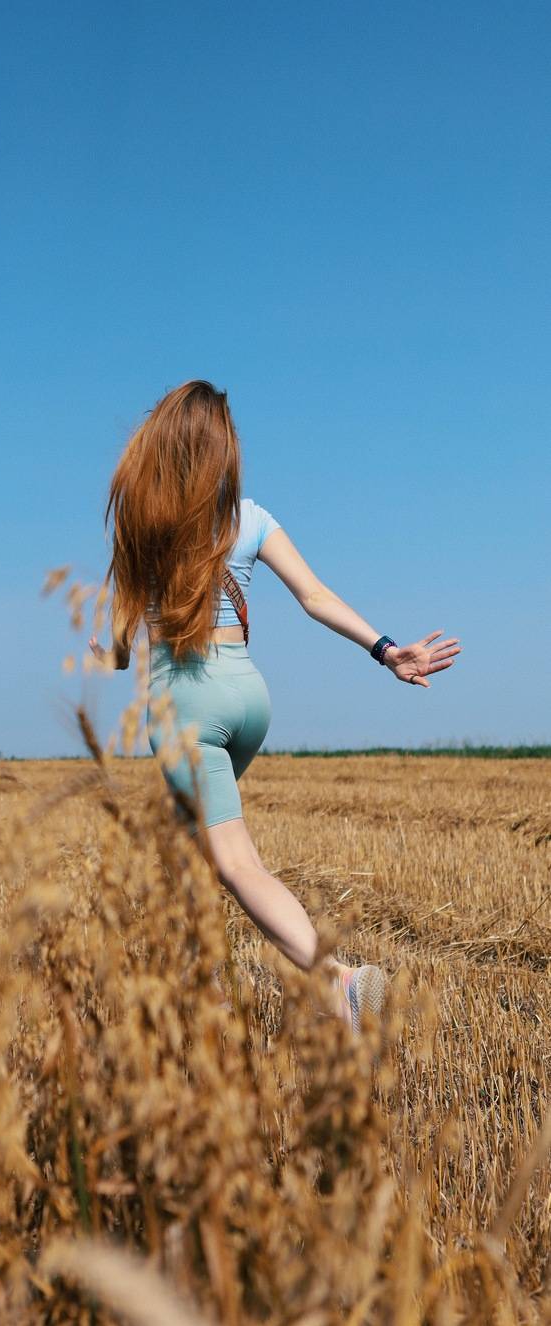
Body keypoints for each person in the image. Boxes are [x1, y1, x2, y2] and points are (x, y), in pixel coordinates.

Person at [90, 380, 460, 1031]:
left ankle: (339, 983)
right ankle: (205, 991)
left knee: (237, 862)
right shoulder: (248, 518)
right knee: (192, 844)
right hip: (248, 700)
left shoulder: (141, 528)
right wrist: (385, 650)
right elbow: (315, 596)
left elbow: (122, 647)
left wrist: (105, 657)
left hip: (187, 710)